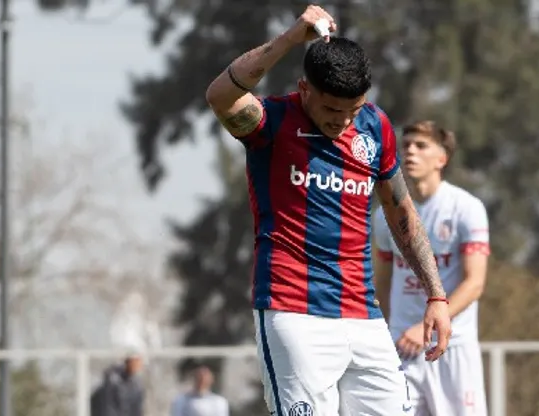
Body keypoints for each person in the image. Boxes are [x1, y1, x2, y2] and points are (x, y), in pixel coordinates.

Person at [205, 5, 452, 416]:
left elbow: (400, 211)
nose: (342, 121)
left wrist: (436, 295)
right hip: (293, 313)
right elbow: (219, 96)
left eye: (352, 110)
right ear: (305, 90)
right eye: (332, 110)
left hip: (364, 315)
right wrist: (288, 39)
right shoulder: (272, 123)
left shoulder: (375, 127)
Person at [372, 120, 491, 416]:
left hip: (452, 349)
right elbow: (382, 284)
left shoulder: (466, 208)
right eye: (407, 145)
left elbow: (474, 284)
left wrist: (424, 327)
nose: (410, 151)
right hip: (402, 349)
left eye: (421, 146)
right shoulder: (384, 216)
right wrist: (388, 333)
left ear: (442, 158)